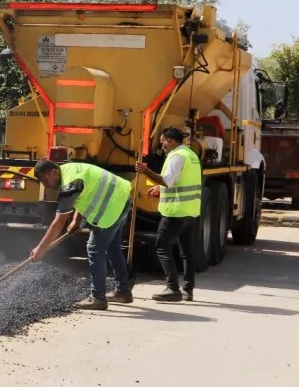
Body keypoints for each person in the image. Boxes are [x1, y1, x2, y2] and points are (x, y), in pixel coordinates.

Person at [30, 158, 134, 311]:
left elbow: (58, 223)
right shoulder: (68, 169)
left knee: (94, 248)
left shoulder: (70, 184)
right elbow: (85, 193)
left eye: (46, 180)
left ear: (53, 171)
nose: (46, 185)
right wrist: (76, 220)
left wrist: (41, 249)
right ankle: (123, 291)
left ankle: (98, 298)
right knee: (113, 247)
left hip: (111, 207)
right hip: (122, 196)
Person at [135, 126, 203, 302]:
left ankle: (172, 288)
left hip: (175, 211)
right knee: (187, 251)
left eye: (163, 141)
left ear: (171, 141)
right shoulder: (190, 155)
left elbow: (167, 180)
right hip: (190, 210)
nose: (162, 145)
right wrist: (159, 188)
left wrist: (145, 171)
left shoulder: (176, 157)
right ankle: (188, 289)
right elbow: (180, 180)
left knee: (162, 246)